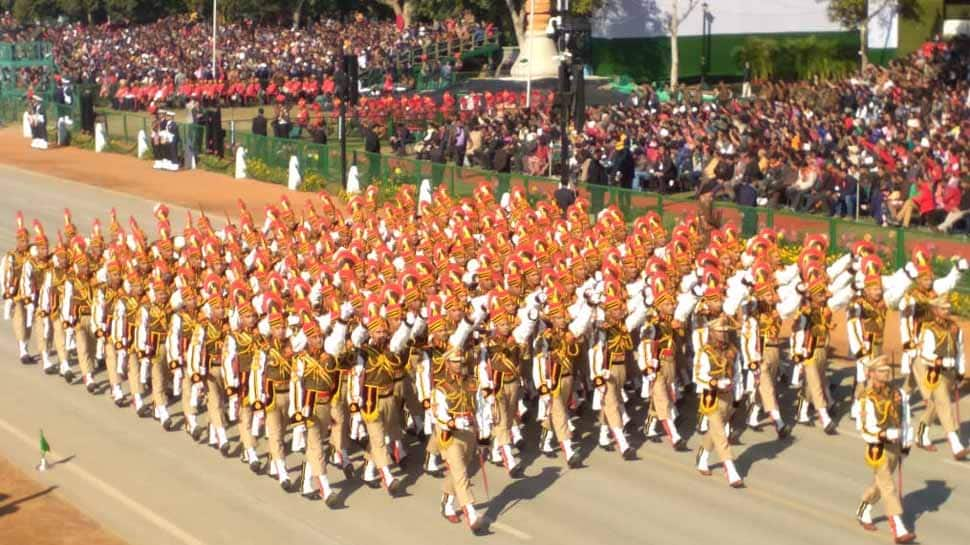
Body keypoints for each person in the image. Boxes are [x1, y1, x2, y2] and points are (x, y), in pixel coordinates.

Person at [856, 355, 916, 543]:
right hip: (877, 448)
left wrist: (906, 441)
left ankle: (865, 505)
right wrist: (884, 435)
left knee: (881, 484)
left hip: (896, 446)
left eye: (887, 370)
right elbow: (865, 427)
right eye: (881, 371)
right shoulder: (866, 398)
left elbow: (904, 418)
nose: (886, 373)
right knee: (889, 487)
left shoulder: (897, 393)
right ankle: (898, 528)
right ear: (872, 374)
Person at [433, 348, 487, 535]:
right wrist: (451, 422)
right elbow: (438, 413)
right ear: (447, 364)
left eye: (460, 361)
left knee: (461, 470)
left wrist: (483, 432)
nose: (459, 364)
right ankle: (471, 513)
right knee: (460, 472)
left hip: (469, 431)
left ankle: (447, 502)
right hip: (451, 434)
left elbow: (480, 408)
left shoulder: (472, 383)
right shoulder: (441, 387)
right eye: (454, 361)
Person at [912, 295, 968, 459]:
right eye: (943, 308)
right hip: (935, 373)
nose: (947, 311)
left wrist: (960, 370)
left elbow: (960, 350)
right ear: (935, 310)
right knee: (944, 404)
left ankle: (921, 435)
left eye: (948, 308)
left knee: (935, 406)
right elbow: (925, 355)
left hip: (950, 372)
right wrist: (939, 360)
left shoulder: (955, 328)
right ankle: (956, 445)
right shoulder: (929, 329)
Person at [694, 316, 744, 488]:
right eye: (719, 332)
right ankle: (731, 470)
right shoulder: (705, 352)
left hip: (728, 396)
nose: (723, 335)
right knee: (721, 435)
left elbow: (737, 373)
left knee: (716, 430)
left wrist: (739, 391)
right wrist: (715, 383)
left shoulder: (733, 351)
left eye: (725, 332)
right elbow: (699, 375)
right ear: (712, 332)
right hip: (711, 396)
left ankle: (703, 457)